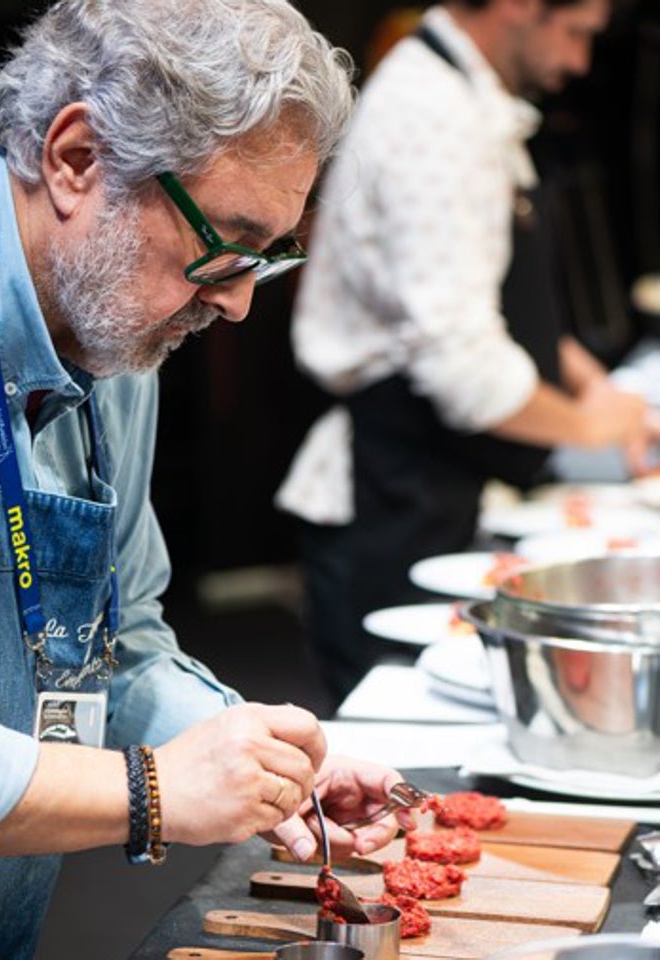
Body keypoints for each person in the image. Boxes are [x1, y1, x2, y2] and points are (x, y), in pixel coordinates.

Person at [0, 2, 416, 956]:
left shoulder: (112, 318)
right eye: (226, 242)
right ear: (76, 159)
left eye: (271, 254)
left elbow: (118, 642)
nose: (236, 300)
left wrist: (265, 759)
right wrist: (151, 791)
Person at [276, 0, 660, 707]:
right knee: (399, 782)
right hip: (396, 496)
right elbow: (463, 367)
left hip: (445, 483)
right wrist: (593, 428)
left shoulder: (470, 95)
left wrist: (592, 385)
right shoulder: (433, 117)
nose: (578, 63)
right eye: (575, 33)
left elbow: (488, 300)